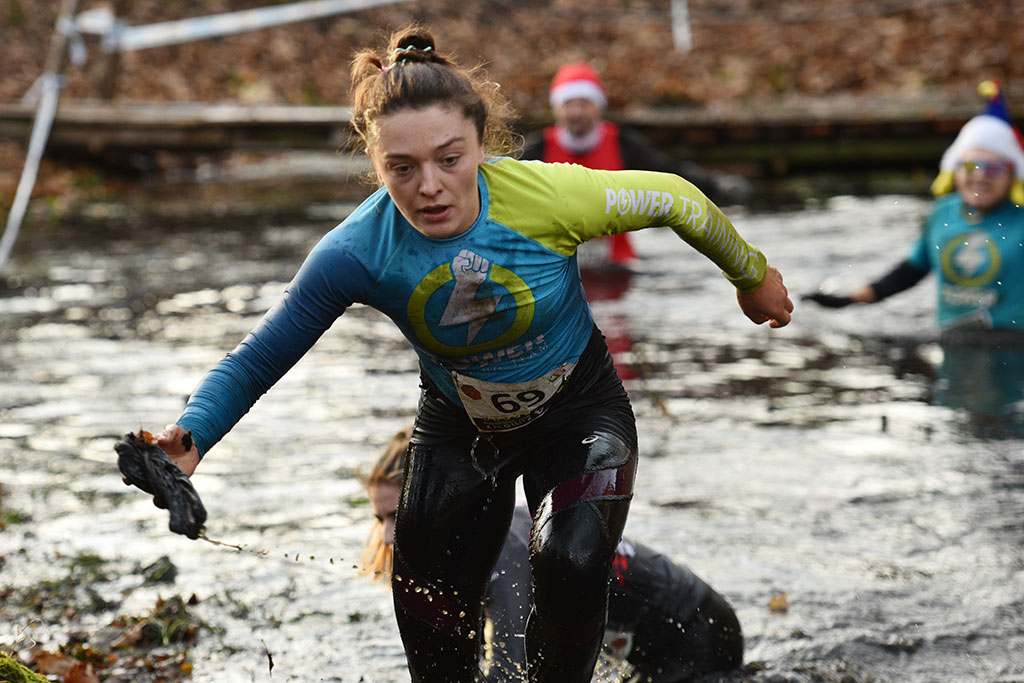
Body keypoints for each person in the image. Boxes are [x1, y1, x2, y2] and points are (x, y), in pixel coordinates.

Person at [148, 25, 792, 682]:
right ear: (375, 164)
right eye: (401, 167)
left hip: (579, 415)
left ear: (481, 144)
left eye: (449, 159)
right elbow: (260, 356)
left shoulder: (548, 198)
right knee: (429, 616)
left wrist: (752, 276)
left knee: (569, 559)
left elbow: (677, 199)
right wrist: (193, 435)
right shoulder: (357, 251)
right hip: (461, 430)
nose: (429, 186)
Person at [362, 426, 745, 683]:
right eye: (379, 519)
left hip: (697, 632)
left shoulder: (504, 550)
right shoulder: (466, 546)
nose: (388, 537)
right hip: (646, 639)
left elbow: (512, 673)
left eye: (398, 516)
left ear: (440, 502)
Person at [804, 81, 1024, 422]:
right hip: (954, 343)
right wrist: (850, 299)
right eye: (970, 166)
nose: (980, 176)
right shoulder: (944, 213)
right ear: (955, 169)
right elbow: (912, 270)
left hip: (1014, 348)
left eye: (993, 169)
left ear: (1012, 175)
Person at [520, 61, 752, 267]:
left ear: (598, 106)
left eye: (584, 103)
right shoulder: (536, 149)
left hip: (618, 266)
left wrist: (715, 183)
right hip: (556, 269)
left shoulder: (623, 144)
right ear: (556, 108)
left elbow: (669, 175)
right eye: (569, 103)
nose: (576, 112)